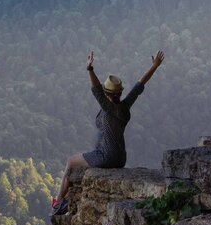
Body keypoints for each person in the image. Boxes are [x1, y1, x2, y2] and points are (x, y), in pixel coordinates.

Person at [51, 49, 165, 214]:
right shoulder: (125, 106)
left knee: (71, 162)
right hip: (120, 157)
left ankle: (58, 201)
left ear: (107, 93)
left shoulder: (108, 107)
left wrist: (90, 69)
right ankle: (66, 200)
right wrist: (154, 66)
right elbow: (140, 85)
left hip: (105, 155)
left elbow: (96, 89)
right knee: (82, 165)